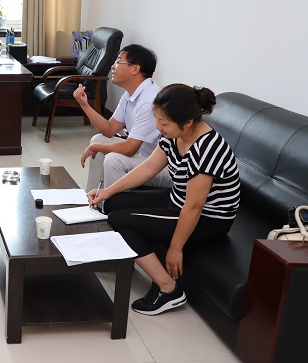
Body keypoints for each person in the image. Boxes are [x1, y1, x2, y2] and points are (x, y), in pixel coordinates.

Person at [88, 84, 240, 316]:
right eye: (157, 120)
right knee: (112, 203)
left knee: (119, 220)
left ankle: (169, 289)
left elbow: (194, 206)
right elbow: (149, 167)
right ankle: (135, 253)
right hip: (178, 199)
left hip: (209, 218)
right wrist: (108, 191)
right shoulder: (175, 135)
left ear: (188, 122)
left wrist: (176, 248)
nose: (159, 127)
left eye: (164, 123)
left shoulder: (207, 148)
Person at [73, 44, 171, 194]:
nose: (113, 66)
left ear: (135, 69)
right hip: (143, 157)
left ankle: (112, 204)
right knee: (98, 139)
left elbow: (129, 149)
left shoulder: (149, 101)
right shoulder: (130, 93)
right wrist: (84, 105)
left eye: (118, 62)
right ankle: (91, 198)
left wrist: (97, 147)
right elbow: (109, 129)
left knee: (113, 160)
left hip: (162, 167)